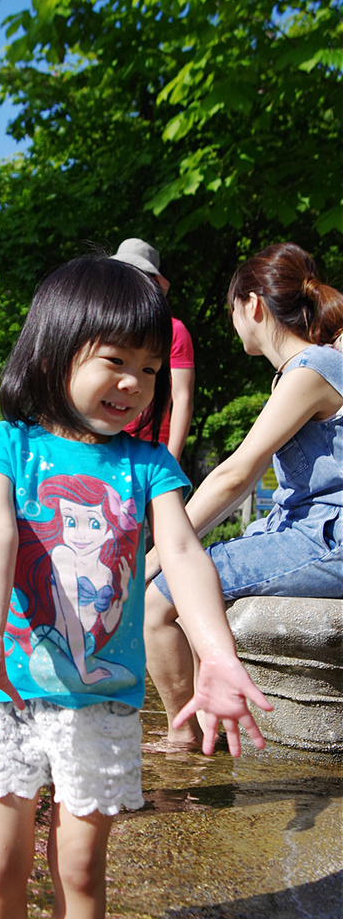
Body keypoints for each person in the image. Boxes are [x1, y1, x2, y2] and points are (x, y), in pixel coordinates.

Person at [0, 255, 270, 919]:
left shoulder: (146, 464)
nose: (134, 384)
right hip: (9, 690)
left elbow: (183, 556)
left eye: (150, 370)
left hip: (99, 704)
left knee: (81, 864)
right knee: (0, 860)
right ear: (54, 353)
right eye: (114, 361)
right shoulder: (5, 445)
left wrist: (217, 655)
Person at [145, 242, 343, 750]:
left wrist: (157, 551)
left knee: (158, 595)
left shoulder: (312, 369)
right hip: (308, 531)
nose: (234, 322)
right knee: (189, 587)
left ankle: (182, 737)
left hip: (327, 539)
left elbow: (235, 476)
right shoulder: (306, 369)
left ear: (252, 305)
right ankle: (196, 726)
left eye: (232, 309)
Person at [112, 238, 195, 462]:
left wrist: (171, 461)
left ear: (154, 284)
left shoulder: (174, 330)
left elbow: (182, 397)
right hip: (100, 441)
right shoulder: (101, 324)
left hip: (151, 447)